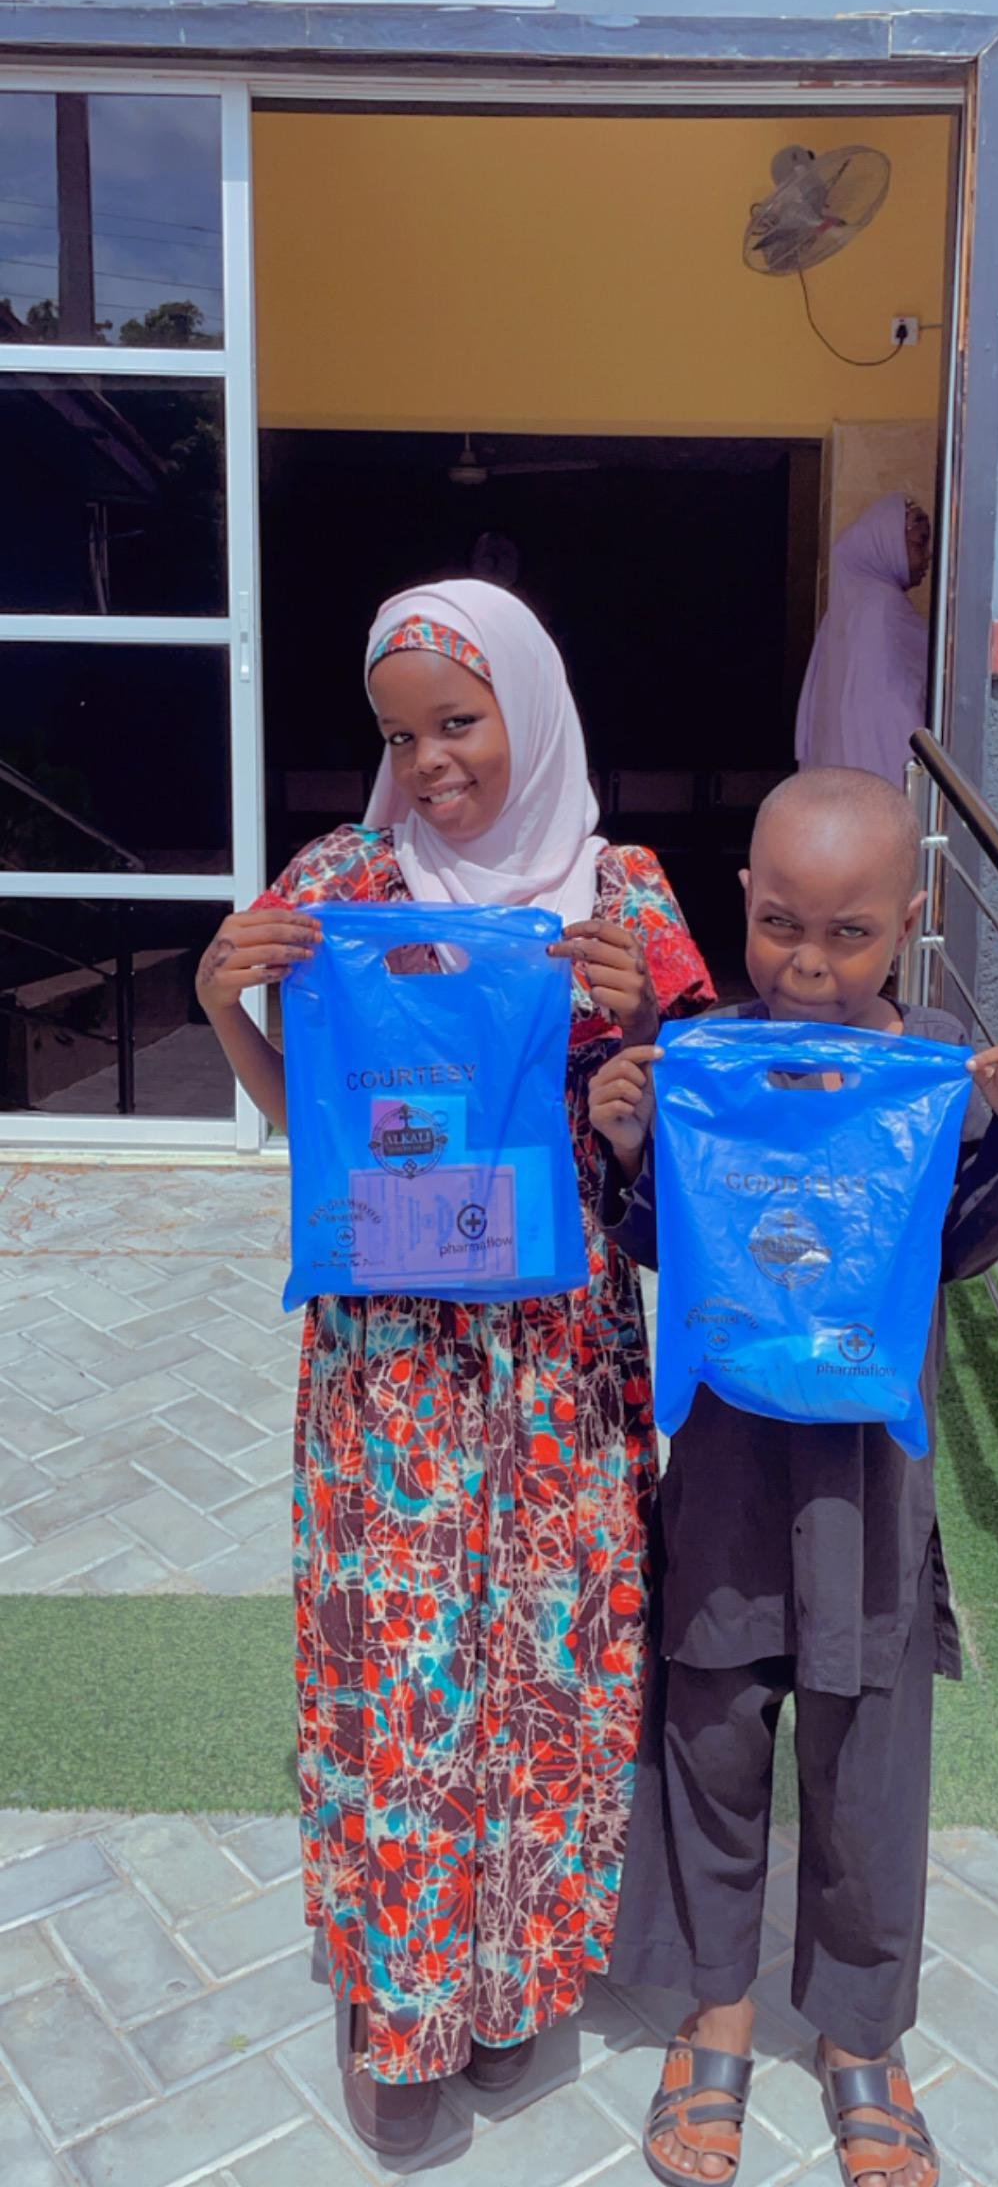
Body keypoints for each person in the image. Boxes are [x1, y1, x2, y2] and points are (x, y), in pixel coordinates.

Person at [195, 580, 713, 2161]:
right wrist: (228, 1004)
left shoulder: (622, 896)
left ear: (533, 712)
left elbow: (701, 1145)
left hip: (557, 1365)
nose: (428, 760)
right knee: (402, 1680)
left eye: (459, 721)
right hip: (390, 1379)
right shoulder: (345, 883)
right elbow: (310, 1129)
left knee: (547, 1673)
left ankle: (520, 1988)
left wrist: (649, 1037)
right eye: (399, 734)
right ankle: (405, 2011)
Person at [587, 767, 998, 2187]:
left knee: (867, 1771)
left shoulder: (935, 1084)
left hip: (868, 1492)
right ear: (743, 902)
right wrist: (626, 1142)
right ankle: (717, 2009)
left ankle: (860, 2035)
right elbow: (665, 1242)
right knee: (714, 1737)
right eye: (782, 924)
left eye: (848, 935)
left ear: (911, 928)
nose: (808, 963)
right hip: (730, 1476)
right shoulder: (709, 1068)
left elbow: (962, 1251)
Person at [795, 494, 932, 788]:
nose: (928, 557)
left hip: (841, 773)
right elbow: (901, 700)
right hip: (880, 766)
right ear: (887, 543)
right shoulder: (883, 605)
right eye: (920, 543)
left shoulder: (845, 608)